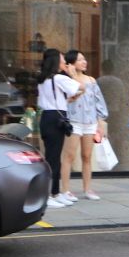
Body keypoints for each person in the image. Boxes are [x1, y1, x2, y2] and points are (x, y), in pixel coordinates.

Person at [37, 49, 84, 209]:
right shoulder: (58, 78)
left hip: (48, 118)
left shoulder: (44, 78)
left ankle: (55, 193)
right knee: (53, 159)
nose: (65, 63)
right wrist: (72, 73)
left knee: (54, 158)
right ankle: (48, 194)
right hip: (55, 119)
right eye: (63, 61)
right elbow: (82, 86)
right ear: (56, 62)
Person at [60, 50, 108, 202]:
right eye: (80, 60)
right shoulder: (67, 80)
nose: (84, 62)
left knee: (87, 156)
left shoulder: (92, 80)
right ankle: (65, 190)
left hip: (90, 122)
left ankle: (87, 189)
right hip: (73, 121)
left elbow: (98, 102)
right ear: (71, 64)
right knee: (69, 156)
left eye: (84, 59)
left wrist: (100, 123)